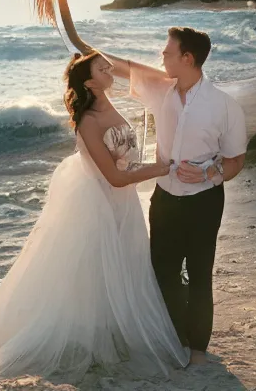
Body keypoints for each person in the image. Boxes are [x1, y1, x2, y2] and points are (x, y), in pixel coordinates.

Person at [0, 51, 189, 381]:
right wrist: (158, 169)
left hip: (123, 203)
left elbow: (125, 159)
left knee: (122, 266)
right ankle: (91, 341)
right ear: (89, 82)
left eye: (107, 65)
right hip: (100, 202)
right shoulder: (88, 122)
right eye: (102, 68)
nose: (109, 69)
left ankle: (114, 333)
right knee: (95, 270)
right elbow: (113, 176)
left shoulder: (110, 104)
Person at [103, 27, 247, 365]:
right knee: (162, 271)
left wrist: (211, 174)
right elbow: (124, 66)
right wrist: (82, 47)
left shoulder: (225, 106)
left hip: (204, 201)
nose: (161, 56)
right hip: (164, 198)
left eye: (168, 52)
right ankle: (178, 336)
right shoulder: (159, 89)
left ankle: (198, 350)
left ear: (188, 58)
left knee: (199, 273)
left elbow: (236, 159)